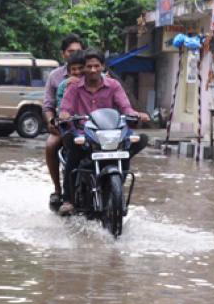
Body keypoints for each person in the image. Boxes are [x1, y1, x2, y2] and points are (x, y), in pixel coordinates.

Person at [57, 49, 150, 215]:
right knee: (73, 154)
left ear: (103, 66)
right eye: (89, 66)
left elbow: (125, 107)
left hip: (110, 133)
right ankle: (68, 199)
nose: (93, 70)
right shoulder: (74, 88)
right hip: (83, 133)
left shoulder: (114, 85)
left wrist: (136, 114)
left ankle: (116, 191)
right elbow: (65, 108)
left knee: (131, 145)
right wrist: (64, 115)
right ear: (84, 68)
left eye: (96, 66)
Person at [43, 34, 86, 210]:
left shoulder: (92, 72)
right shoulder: (56, 77)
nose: (74, 54)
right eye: (70, 51)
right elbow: (48, 105)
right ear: (63, 54)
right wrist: (52, 121)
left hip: (89, 125)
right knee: (51, 145)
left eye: (78, 51)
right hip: (64, 125)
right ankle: (58, 190)